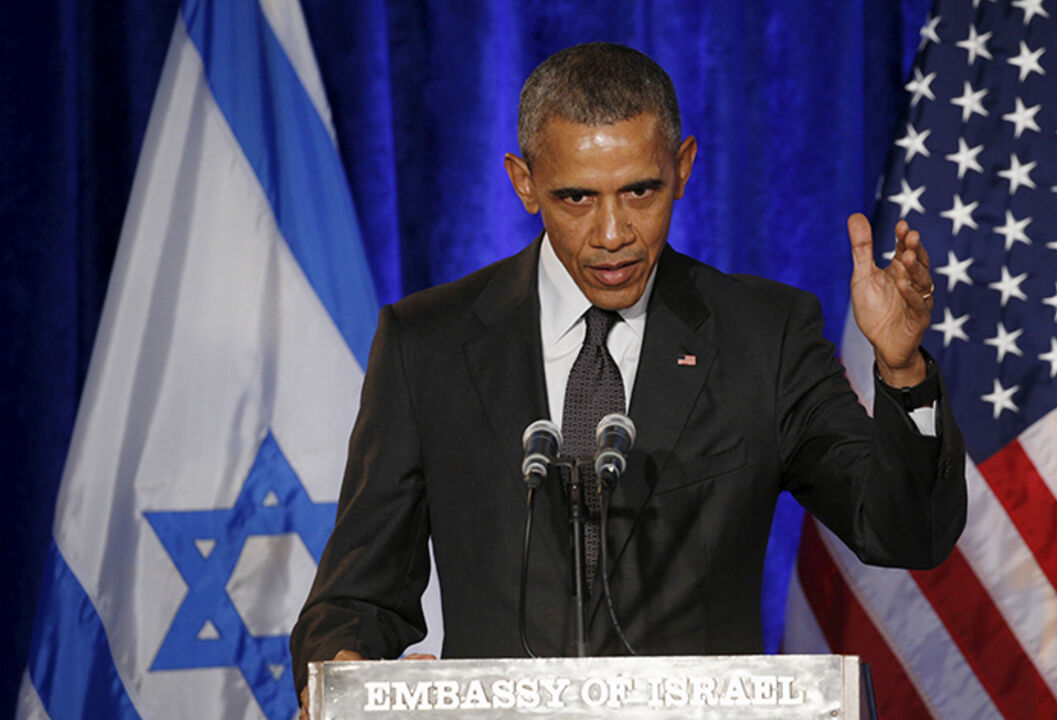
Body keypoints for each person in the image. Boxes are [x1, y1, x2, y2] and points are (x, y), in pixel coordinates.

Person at [290, 41, 966, 712]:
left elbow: (907, 533)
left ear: (682, 167)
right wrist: (347, 675)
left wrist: (902, 369)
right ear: (524, 183)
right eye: (576, 198)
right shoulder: (429, 344)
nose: (612, 233)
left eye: (640, 191)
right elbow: (356, 598)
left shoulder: (763, 336)